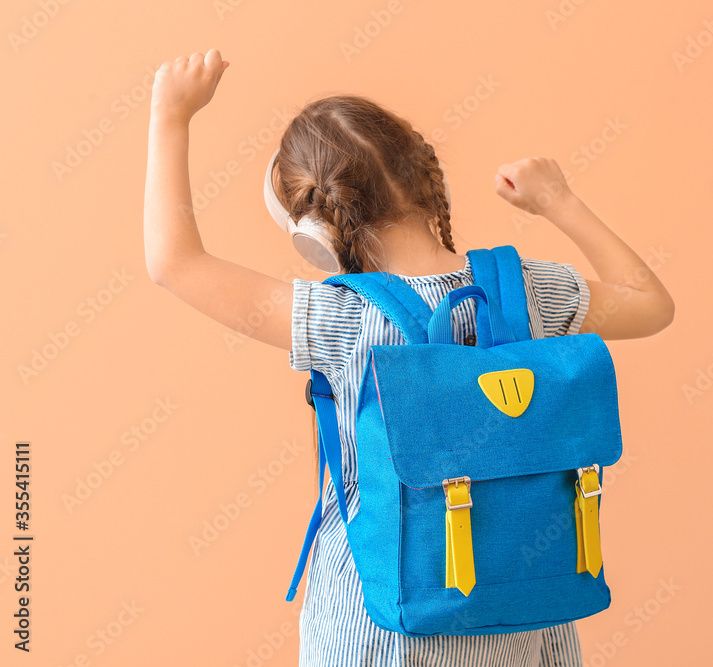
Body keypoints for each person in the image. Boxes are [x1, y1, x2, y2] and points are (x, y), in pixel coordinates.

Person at [144, 49, 674, 667]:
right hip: (529, 615)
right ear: (430, 182)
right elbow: (651, 305)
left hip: (379, 628)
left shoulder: (340, 317)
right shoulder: (528, 289)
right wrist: (557, 200)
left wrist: (170, 117)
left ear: (313, 235)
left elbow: (173, 264)